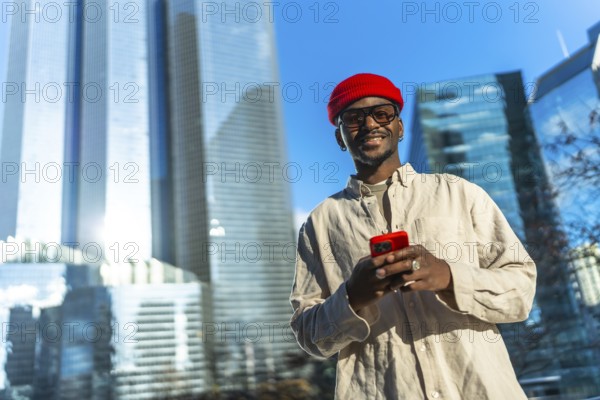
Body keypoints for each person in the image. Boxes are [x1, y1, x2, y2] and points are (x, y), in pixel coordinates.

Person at [289, 73, 537, 399]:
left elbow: (521, 292)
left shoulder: (460, 194)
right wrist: (353, 296)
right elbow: (309, 335)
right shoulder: (320, 223)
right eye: (353, 118)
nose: (369, 124)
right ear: (339, 137)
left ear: (400, 126)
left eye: (382, 113)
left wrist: (449, 277)